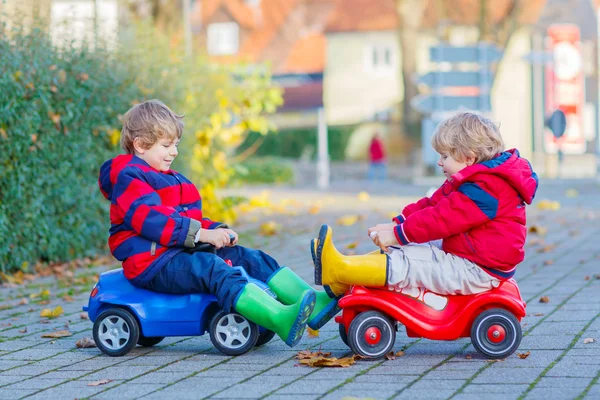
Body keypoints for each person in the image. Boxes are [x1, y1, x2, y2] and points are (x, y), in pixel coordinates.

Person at [98, 99, 338, 347]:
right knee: (212, 268)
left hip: (177, 251)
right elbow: (153, 220)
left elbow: (189, 218)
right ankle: (278, 317)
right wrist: (201, 234)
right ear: (139, 145)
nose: (174, 152)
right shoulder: (129, 178)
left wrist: (214, 230)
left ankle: (312, 303)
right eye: (166, 145)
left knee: (247, 257)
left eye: (176, 145)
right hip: (153, 263)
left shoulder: (171, 179)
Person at [311, 111, 539, 305]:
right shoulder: (474, 181)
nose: (439, 162)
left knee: (410, 263)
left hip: (476, 270)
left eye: (445, 156)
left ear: (468, 158)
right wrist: (398, 223)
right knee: (402, 249)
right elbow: (433, 203)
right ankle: (345, 276)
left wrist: (399, 235)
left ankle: (340, 269)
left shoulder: (485, 190)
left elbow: (441, 219)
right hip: (470, 256)